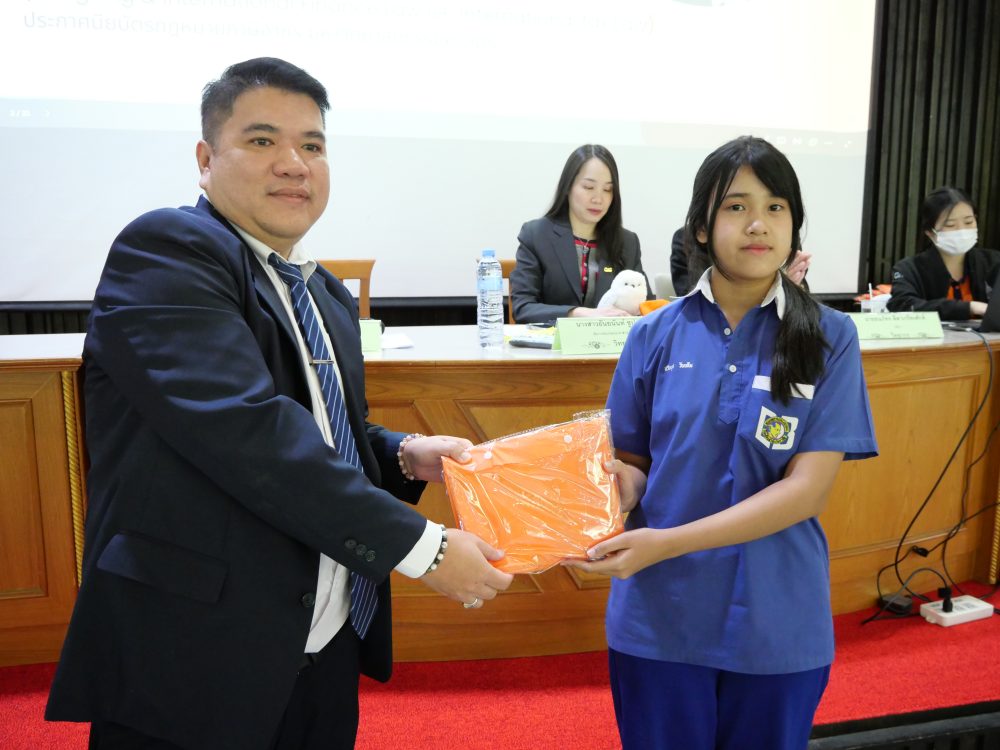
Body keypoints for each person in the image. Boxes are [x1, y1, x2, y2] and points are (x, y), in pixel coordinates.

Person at [45, 57, 513, 750]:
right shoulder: (169, 251)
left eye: (312, 145)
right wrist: (426, 549)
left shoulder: (321, 292)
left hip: (320, 642)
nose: (294, 164)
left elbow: (320, 426)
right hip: (194, 650)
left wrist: (402, 455)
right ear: (206, 159)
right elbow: (248, 432)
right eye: (262, 140)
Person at [565, 136, 877, 750]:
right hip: (659, 618)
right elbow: (635, 467)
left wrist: (666, 542)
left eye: (776, 207)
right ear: (702, 228)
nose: (759, 223)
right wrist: (611, 488)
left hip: (777, 622)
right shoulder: (652, 335)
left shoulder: (830, 337)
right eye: (736, 207)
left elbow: (806, 493)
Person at [510, 144, 652, 323]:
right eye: (588, 187)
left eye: (607, 190)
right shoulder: (537, 235)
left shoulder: (627, 242)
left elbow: (646, 307)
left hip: (610, 341)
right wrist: (577, 313)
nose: (598, 199)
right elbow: (523, 308)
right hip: (552, 340)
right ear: (568, 187)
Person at [886, 186, 1000, 320]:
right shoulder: (908, 269)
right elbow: (902, 305)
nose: (962, 230)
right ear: (930, 232)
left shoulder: (994, 261)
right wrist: (970, 307)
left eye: (969, 222)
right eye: (950, 225)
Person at [671, 226, 811, 297]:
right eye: (736, 207)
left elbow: (801, 288)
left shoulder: (785, 234)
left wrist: (789, 287)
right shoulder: (686, 239)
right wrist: (772, 287)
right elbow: (689, 298)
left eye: (774, 207)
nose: (758, 226)